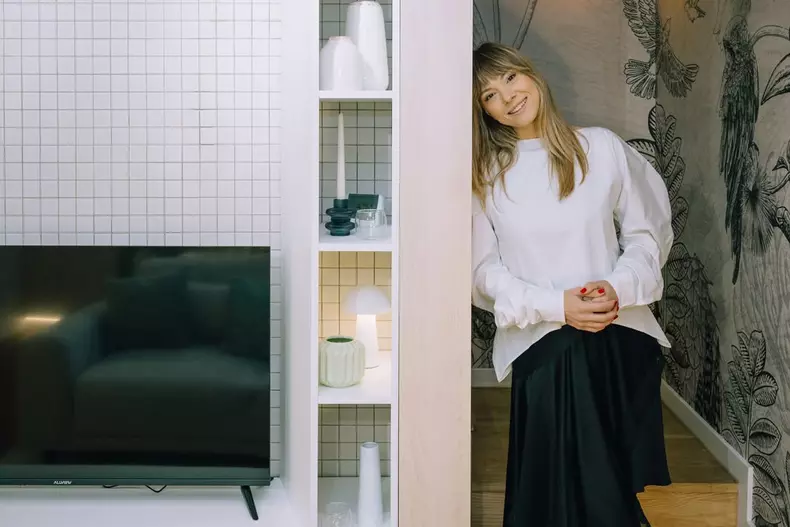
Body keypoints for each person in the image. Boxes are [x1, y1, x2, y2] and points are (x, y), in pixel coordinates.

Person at [471, 42, 674, 527]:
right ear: (485, 112)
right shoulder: (486, 174)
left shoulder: (601, 147)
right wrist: (558, 306)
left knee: (582, 356)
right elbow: (482, 272)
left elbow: (648, 235)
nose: (508, 97)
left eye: (510, 78)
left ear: (531, 74)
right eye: (490, 95)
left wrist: (617, 288)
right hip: (542, 338)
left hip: (618, 331)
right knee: (566, 355)